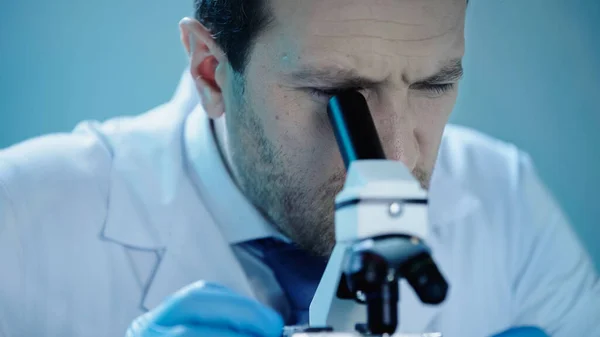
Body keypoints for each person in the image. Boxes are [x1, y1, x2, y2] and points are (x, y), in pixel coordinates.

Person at [0, 0, 598, 336]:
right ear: (211, 72)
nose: (397, 156)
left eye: (435, 83)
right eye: (335, 91)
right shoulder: (19, 226)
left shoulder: (507, 203)